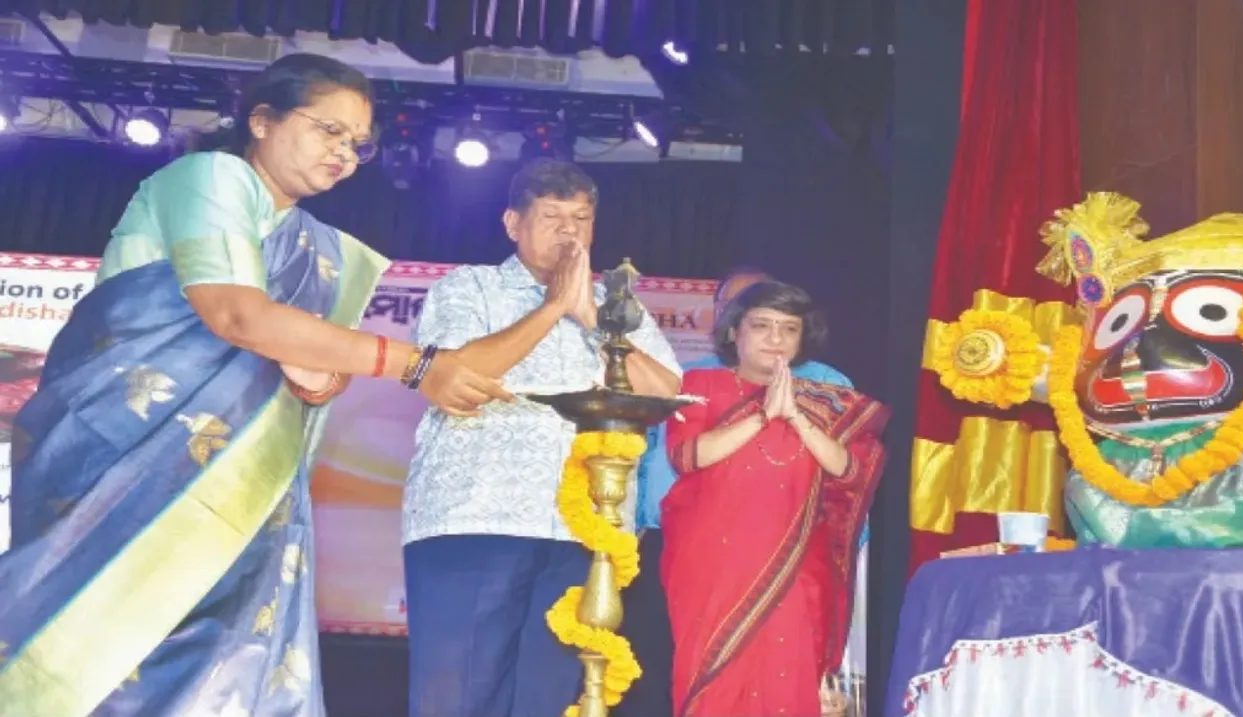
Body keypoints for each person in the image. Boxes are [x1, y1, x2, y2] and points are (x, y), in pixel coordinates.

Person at [0, 54, 511, 717]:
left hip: (240, 486)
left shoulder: (317, 247)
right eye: (329, 130)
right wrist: (417, 365)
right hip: (122, 456)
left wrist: (316, 378)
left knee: (219, 650)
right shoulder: (211, 177)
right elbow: (237, 315)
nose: (345, 153)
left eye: (358, 143)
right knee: (96, 632)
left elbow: (312, 376)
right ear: (263, 120)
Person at [402, 158, 682, 717]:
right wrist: (553, 307)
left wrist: (589, 315)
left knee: (548, 697)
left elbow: (664, 393)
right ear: (513, 223)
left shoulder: (617, 307)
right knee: (458, 695)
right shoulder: (469, 287)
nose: (568, 231)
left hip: (582, 529)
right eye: (552, 217)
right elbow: (458, 375)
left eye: (581, 218)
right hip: (476, 517)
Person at [619, 266, 865, 717]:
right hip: (712, 563)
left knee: (787, 677)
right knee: (713, 678)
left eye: (789, 329)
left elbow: (848, 470)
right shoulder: (697, 385)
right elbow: (687, 456)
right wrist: (762, 415)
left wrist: (795, 415)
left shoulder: (825, 396)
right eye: (762, 325)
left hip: (793, 564)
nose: (776, 338)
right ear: (734, 331)